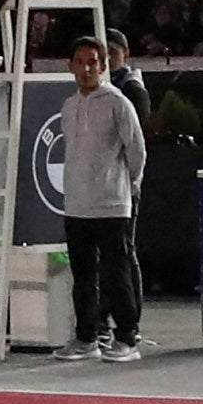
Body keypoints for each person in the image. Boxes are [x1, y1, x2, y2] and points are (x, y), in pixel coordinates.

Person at [53, 35, 149, 361]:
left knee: (115, 274)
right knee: (83, 277)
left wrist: (127, 189)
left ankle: (126, 338)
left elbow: (137, 152)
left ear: (104, 66)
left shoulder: (118, 103)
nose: (86, 69)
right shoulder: (69, 107)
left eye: (93, 62)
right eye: (79, 62)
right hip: (77, 206)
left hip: (112, 205)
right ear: (70, 67)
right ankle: (87, 337)